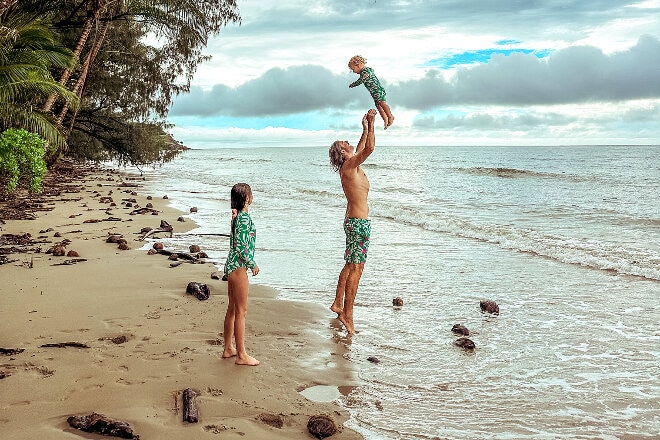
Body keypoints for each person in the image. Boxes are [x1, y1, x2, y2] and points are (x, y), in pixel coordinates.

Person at [328, 108, 377, 334]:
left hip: (353, 222)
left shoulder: (350, 165)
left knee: (350, 265)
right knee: (357, 268)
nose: (348, 142)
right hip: (358, 224)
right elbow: (369, 148)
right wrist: (373, 124)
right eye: (344, 142)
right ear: (342, 151)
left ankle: (338, 303)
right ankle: (348, 314)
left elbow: (360, 148)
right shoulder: (349, 166)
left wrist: (365, 127)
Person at [222, 183, 260, 366]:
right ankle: (241, 355)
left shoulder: (237, 217)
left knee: (232, 308)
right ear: (247, 198)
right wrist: (252, 264)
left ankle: (228, 348)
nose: (252, 196)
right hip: (238, 267)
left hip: (231, 265)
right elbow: (240, 246)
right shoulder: (243, 218)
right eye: (251, 193)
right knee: (241, 311)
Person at [348, 55, 394, 129]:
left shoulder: (366, 71)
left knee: (382, 103)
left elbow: (361, 80)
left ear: (358, 65)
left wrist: (353, 84)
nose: (353, 71)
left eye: (353, 69)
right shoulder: (364, 72)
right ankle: (385, 120)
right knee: (378, 106)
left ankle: (390, 116)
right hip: (374, 93)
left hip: (378, 90)